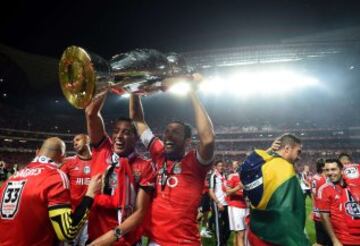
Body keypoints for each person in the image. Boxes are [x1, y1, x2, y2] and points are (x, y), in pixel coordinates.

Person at [129, 85, 215, 245]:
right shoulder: (159, 152)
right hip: (154, 240)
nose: (168, 135)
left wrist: (192, 92)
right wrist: (134, 89)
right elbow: (137, 119)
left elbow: (208, 138)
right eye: (167, 131)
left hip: (183, 242)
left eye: (175, 132)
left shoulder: (195, 163)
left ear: (187, 141)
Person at [0, 137, 101, 246]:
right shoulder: (55, 176)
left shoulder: (10, 180)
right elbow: (68, 232)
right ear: (63, 158)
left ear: (37, 152)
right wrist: (90, 193)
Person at [84, 92, 155, 245]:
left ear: (136, 138)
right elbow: (91, 113)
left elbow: (140, 212)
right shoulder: (103, 149)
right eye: (116, 131)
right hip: (94, 237)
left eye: (126, 132)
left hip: (124, 241)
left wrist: (110, 237)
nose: (119, 136)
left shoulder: (144, 165)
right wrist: (107, 85)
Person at [240, 133, 309, 246]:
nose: (299, 156)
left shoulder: (263, 166)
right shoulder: (284, 168)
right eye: (298, 151)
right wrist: (298, 241)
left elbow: (246, 169)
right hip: (276, 237)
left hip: (256, 231)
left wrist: (270, 151)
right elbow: (286, 212)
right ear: (287, 149)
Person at [318, 159, 360, 246]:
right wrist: (334, 240)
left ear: (341, 170)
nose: (330, 173)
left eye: (333, 169)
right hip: (344, 240)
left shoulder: (355, 185)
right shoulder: (324, 190)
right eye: (327, 170)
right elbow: (324, 218)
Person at [61, 134, 93, 246]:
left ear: (88, 140)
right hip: (73, 215)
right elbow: (59, 186)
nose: (74, 143)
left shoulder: (98, 161)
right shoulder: (68, 162)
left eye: (78, 140)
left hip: (93, 217)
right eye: (74, 141)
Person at [226, 160, 248, 246]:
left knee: (243, 233)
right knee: (240, 233)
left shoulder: (247, 179)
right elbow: (227, 192)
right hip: (235, 207)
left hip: (245, 207)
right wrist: (238, 188)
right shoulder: (233, 177)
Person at [209, 160, 230, 246]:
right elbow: (210, 191)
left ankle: (223, 241)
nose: (221, 167)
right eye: (219, 166)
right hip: (218, 203)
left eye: (222, 165)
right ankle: (219, 243)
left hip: (226, 203)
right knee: (218, 226)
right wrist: (218, 203)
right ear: (216, 167)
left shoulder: (225, 176)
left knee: (229, 225)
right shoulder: (213, 176)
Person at [310, 159, 331, 246]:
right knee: (327, 239)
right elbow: (315, 196)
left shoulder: (314, 178)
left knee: (321, 240)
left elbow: (313, 195)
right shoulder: (324, 179)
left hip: (318, 213)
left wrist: (313, 209)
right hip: (324, 214)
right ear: (322, 167)